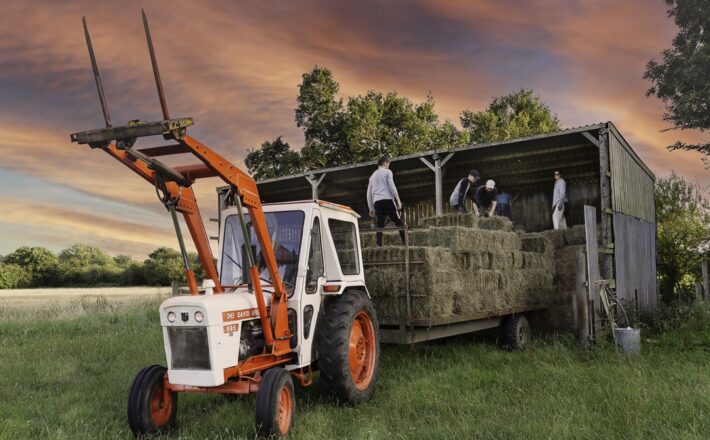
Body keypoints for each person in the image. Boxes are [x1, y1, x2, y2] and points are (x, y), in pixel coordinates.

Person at [367, 156, 405, 246]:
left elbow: (368, 193)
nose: (388, 166)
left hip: (377, 203)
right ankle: (407, 243)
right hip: (388, 200)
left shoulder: (372, 176)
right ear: (385, 163)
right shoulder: (388, 172)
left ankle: (378, 245)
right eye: (388, 164)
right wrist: (398, 200)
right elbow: (392, 186)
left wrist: (371, 208)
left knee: (379, 225)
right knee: (399, 222)